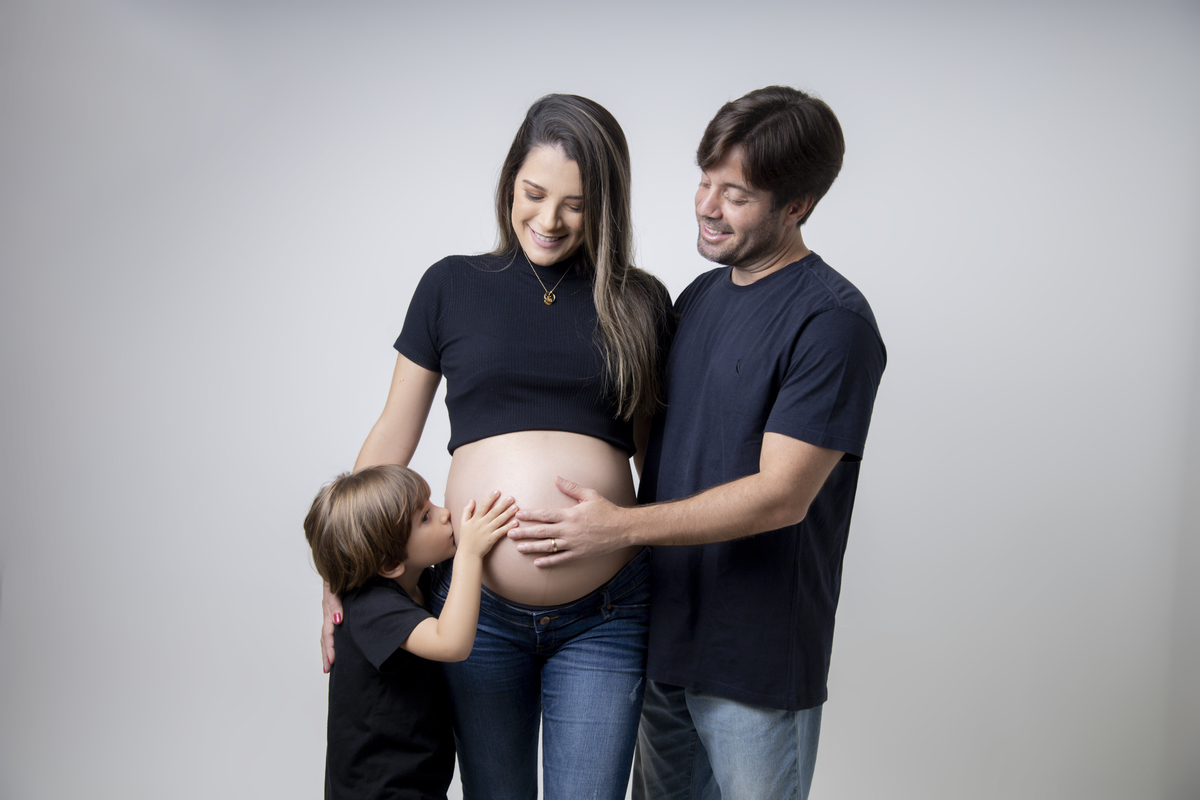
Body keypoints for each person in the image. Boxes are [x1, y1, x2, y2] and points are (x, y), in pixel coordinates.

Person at [509, 86, 887, 799]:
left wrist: (618, 528)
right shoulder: (697, 301)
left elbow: (781, 497)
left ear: (798, 205)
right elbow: (658, 448)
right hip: (665, 642)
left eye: (736, 195)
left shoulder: (832, 322)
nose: (707, 206)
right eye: (705, 181)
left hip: (756, 663)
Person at [321, 94, 674, 799]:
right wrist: (343, 568)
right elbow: (393, 432)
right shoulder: (450, 285)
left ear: (607, 206)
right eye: (534, 194)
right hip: (473, 609)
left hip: (606, 613)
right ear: (510, 181)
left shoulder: (640, 302)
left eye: (575, 205)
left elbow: (654, 461)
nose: (549, 220)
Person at [304, 464, 518, 799]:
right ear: (391, 564)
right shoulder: (371, 607)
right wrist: (470, 553)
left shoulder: (418, 585)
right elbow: (451, 643)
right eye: (426, 518)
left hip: (417, 781)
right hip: (381, 791)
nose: (445, 515)